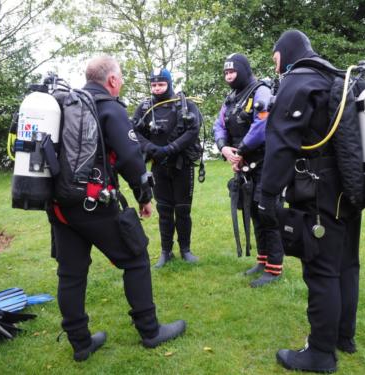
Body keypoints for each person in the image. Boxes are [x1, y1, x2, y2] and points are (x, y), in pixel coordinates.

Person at [47, 56, 186, 361]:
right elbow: (130, 157)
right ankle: (150, 331)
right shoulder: (110, 108)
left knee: (70, 273)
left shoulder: (63, 106)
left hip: (59, 205)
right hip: (93, 203)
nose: (121, 82)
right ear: (111, 80)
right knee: (136, 259)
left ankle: (80, 342)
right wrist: (143, 196)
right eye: (120, 78)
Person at [258, 30, 364, 373]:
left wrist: (267, 194)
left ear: (286, 52)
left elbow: (280, 143)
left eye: (276, 58)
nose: (275, 67)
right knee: (347, 264)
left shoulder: (298, 81)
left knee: (321, 271)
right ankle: (343, 337)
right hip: (348, 186)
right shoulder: (334, 76)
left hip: (319, 190)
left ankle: (320, 353)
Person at [213, 53, 284, 287]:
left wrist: (240, 151)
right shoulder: (231, 98)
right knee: (252, 210)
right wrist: (224, 149)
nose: (229, 76)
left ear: (243, 70)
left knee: (268, 211)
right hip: (243, 165)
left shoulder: (260, 91)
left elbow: (261, 124)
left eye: (232, 71)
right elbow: (219, 125)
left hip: (265, 162)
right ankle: (262, 261)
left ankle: (275, 268)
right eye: (226, 72)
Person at [133, 68, 201, 268]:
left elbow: (193, 130)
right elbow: (134, 131)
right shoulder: (145, 107)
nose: (157, 88)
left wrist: (172, 148)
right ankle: (166, 251)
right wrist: (150, 148)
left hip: (182, 163)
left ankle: (185, 250)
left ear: (169, 84)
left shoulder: (185, 105)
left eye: (161, 84)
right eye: (153, 85)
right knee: (164, 209)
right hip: (157, 164)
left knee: (182, 209)